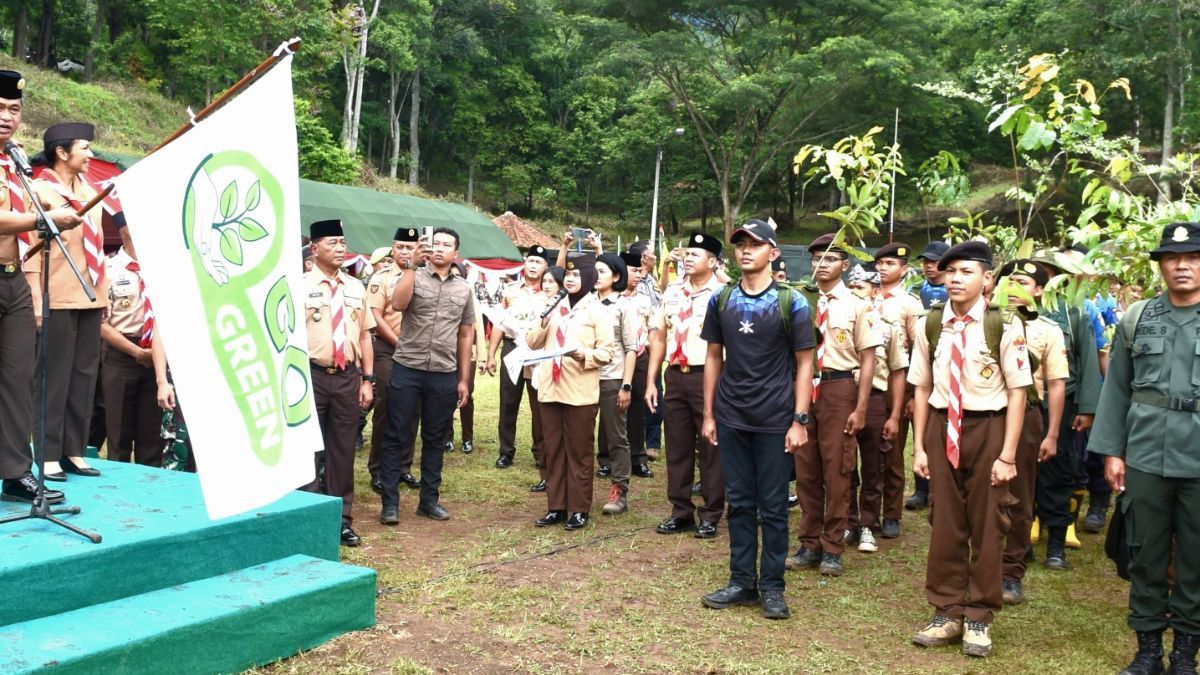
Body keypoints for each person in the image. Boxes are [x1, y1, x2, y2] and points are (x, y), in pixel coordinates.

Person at [908, 241, 1031, 658]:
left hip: (988, 427)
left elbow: (1017, 394)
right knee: (945, 521)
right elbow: (921, 386)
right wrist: (920, 449)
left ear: (987, 279)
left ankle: (979, 614)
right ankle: (947, 610)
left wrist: (1008, 454)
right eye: (950, 272)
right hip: (943, 426)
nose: (956, 279)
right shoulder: (931, 323)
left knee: (988, 523)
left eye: (966, 271)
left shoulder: (1005, 325)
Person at [1089, 222, 1200, 675]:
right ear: (1160, 266)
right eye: (1173, 258)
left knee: (1195, 558)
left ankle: (1185, 656)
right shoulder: (1138, 317)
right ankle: (1148, 652)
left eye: (1192, 258)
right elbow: (1116, 389)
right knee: (1145, 554)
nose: (1182, 265)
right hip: (1147, 455)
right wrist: (1113, 451)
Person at [698, 218, 814, 620]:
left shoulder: (791, 302)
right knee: (741, 503)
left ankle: (772, 587)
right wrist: (710, 413)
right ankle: (742, 581)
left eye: (755, 244)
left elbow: (805, 364)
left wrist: (800, 419)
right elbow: (714, 356)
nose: (746, 250)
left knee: (774, 506)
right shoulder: (722, 299)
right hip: (732, 416)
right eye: (740, 244)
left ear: (773, 252)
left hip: (775, 420)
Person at [0, 70, 76, 504]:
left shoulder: (13, 160)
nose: (6, 117)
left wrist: (46, 203)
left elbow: (25, 205)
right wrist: (41, 219)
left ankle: (14, 472)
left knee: (17, 380)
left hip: (12, 282)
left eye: (13, 109)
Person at [784, 233, 879, 577]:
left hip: (839, 387)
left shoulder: (857, 305)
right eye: (816, 259)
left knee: (837, 468)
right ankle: (809, 542)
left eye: (829, 258)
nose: (821, 265)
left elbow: (868, 360)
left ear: (845, 264)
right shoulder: (800, 301)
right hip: (805, 386)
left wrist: (861, 407)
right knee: (806, 468)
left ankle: (833, 544)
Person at [28, 122, 108, 481]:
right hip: (56, 294)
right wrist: (33, 300)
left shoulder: (91, 190)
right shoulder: (39, 191)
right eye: (85, 147)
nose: (91, 154)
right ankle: (46, 454)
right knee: (53, 377)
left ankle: (74, 450)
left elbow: (97, 245)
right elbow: (28, 249)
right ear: (62, 152)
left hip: (91, 294)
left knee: (84, 376)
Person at [378, 227, 474, 523]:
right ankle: (390, 503)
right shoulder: (413, 276)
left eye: (448, 245)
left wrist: (463, 379)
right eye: (437, 244)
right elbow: (398, 304)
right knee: (397, 434)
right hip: (408, 366)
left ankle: (429, 500)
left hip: (443, 372)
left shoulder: (464, 289)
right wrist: (411, 266)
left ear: (456, 254)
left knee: (435, 438)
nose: (441, 248)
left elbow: (466, 334)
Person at [994, 260, 1068, 605]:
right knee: (980, 494)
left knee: (1019, 497)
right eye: (1008, 281)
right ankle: (982, 563)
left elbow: (1055, 385)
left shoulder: (1047, 330)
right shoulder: (985, 320)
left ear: (1038, 290)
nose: (1013, 288)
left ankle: (1011, 571)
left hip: (1026, 419)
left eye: (1022, 282)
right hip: (985, 416)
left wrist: (1052, 433)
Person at [646, 232, 727, 539]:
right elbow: (659, 337)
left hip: (709, 375)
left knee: (711, 446)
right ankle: (681, 511)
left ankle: (711, 513)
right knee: (677, 446)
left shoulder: (723, 293)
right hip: (676, 376)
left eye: (697, 254)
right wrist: (652, 379)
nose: (689, 258)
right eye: (688, 253)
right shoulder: (672, 292)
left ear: (713, 262)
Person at [527, 254, 614, 530]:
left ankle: (578, 509)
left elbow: (607, 353)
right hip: (550, 389)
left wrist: (582, 354)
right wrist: (543, 319)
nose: (571, 279)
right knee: (553, 450)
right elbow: (532, 343)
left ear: (589, 279)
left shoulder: (597, 311)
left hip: (579, 391)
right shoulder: (554, 306)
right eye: (568, 275)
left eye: (577, 276)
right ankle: (556, 506)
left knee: (578, 452)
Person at [303, 220, 375, 546]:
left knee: (343, 449)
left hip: (347, 377)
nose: (340, 248)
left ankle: (341, 519)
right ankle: (307, 516)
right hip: (310, 375)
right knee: (308, 450)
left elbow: (364, 336)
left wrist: (367, 380)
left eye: (343, 242)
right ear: (315, 249)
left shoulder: (356, 287)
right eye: (333, 242)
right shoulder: (298, 286)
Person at [1029, 253, 1101, 568]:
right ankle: (1023, 534)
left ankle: (1056, 541)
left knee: (1059, 471)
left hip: (1062, 402)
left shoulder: (1073, 314)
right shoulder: (1011, 312)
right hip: (1022, 403)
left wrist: (1086, 408)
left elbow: (1086, 362)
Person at [845, 264, 908, 554]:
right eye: (852, 287)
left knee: (873, 465)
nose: (855, 293)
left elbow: (897, 372)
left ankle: (868, 523)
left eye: (861, 288)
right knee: (844, 465)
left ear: (875, 290)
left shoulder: (887, 327)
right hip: (843, 396)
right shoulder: (839, 321)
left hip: (873, 401)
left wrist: (894, 414)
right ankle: (849, 520)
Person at [873, 242, 925, 537]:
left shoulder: (909, 304)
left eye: (890, 264)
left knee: (891, 451)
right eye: (879, 263)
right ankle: (865, 511)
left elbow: (919, 350)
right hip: (867, 382)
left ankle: (891, 513)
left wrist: (914, 394)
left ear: (904, 270)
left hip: (896, 383)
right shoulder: (862, 296)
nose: (882, 268)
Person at [100, 225, 162, 466]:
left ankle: (152, 495)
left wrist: (154, 357)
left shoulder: (160, 267)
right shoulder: (109, 268)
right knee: (119, 435)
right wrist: (137, 352)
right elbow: (100, 324)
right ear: (124, 231)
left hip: (157, 354)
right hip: (121, 354)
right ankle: (119, 496)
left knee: (152, 438)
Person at [365, 227, 420, 493]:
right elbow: (375, 316)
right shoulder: (381, 278)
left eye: (410, 247)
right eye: (400, 247)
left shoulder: (423, 276)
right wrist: (399, 344)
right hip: (387, 349)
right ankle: (377, 468)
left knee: (412, 410)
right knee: (386, 407)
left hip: (417, 353)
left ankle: (403, 467)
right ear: (392, 249)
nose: (405, 252)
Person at [484, 245, 550, 470]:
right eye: (530, 261)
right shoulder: (510, 290)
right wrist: (491, 354)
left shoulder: (550, 292)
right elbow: (499, 324)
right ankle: (506, 451)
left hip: (537, 352)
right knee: (508, 402)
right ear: (524, 263)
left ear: (545, 267)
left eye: (538, 262)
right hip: (512, 349)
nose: (533, 266)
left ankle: (540, 452)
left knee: (539, 404)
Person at [592, 253, 638, 515]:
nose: (596, 276)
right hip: (584, 378)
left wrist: (626, 385)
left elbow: (631, 349)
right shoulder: (586, 303)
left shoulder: (624, 305)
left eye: (602, 271)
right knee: (581, 435)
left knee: (616, 437)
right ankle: (580, 486)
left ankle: (619, 490)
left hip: (612, 378)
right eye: (594, 271)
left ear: (617, 277)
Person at [905, 240, 950, 510]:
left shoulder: (955, 292)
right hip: (919, 366)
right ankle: (922, 487)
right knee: (919, 429)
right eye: (925, 261)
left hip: (946, 370)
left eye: (934, 262)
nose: (928, 267)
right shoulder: (914, 292)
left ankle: (941, 486)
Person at [620, 250, 654, 476]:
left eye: (641, 271)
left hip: (640, 354)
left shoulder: (644, 299)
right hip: (616, 356)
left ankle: (637, 458)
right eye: (634, 271)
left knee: (638, 408)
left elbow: (652, 328)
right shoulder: (612, 297)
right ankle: (607, 458)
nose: (639, 275)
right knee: (613, 407)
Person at [450, 260, 480, 454]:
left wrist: (482, 356)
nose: (455, 279)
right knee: (445, 395)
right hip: (445, 353)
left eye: (458, 275)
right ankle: (447, 437)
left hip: (468, 353)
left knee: (466, 392)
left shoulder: (470, 296)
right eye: (451, 275)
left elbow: (476, 330)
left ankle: (467, 438)